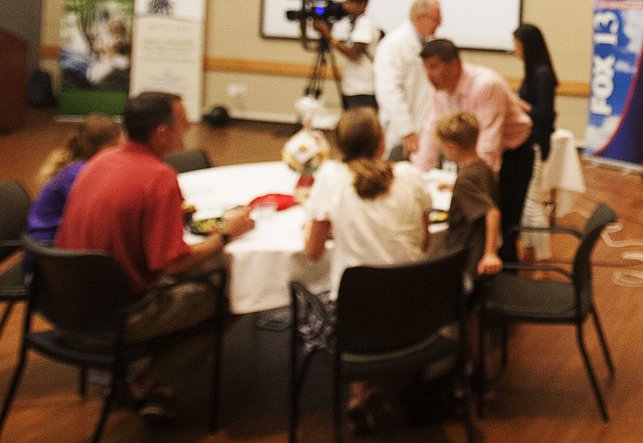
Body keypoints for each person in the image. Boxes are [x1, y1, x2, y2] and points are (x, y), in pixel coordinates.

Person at [57, 91, 255, 425]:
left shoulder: (101, 160)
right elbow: (169, 263)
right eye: (182, 122)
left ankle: (142, 379)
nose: (190, 126)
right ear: (161, 133)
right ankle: (149, 383)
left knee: (199, 278)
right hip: (113, 320)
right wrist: (226, 233)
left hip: (64, 306)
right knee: (230, 295)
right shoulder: (159, 177)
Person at [303, 107, 433, 434]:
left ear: (339, 147)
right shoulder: (410, 176)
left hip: (356, 321)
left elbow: (313, 252)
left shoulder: (332, 181)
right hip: (415, 316)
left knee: (345, 298)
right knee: (375, 288)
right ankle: (369, 390)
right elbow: (426, 242)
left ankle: (358, 394)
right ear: (381, 142)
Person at [416, 39, 532, 264]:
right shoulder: (440, 90)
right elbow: (433, 130)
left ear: (455, 64)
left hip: (512, 153)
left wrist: (471, 179)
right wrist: (417, 177)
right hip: (477, 158)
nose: (429, 75)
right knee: (474, 221)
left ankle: (504, 275)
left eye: (434, 67)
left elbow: (489, 141)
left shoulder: (485, 85)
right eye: (426, 68)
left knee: (505, 221)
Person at [26, 113, 123, 244]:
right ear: (99, 147)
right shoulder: (77, 173)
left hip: (60, 238)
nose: (120, 150)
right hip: (47, 247)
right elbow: (93, 215)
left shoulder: (81, 164)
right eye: (115, 145)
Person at [433, 111, 502, 281]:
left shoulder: (465, 179)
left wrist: (490, 253)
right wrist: (454, 187)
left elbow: (492, 212)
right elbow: (481, 190)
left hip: (467, 253)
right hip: (475, 246)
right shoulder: (482, 166)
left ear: (452, 147)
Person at [374, 0, 442, 161]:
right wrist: (407, 130)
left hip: (426, 129)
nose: (439, 24)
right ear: (418, 18)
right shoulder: (393, 45)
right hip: (403, 133)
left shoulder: (430, 44)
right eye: (436, 19)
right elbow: (389, 91)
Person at [513, 23, 559, 259]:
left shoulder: (542, 75)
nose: (515, 51)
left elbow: (545, 114)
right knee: (527, 205)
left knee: (532, 206)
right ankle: (530, 254)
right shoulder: (534, 73)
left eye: (517, 46)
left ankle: (543, 260)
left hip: (536, 143)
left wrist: (520, 105)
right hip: (529, 142)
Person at [311, 0, 379, 110]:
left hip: (363, 89)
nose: (345, 6)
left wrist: (328, 35)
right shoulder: (358, 23)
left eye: (349, 2)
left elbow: (354, 53)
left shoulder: (365, 23)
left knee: (358, 127)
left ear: (362, 4)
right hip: (354, 87)